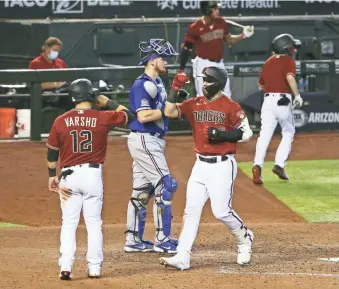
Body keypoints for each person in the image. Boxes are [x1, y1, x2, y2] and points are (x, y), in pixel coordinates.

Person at [159, 66, 254, 270]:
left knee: (221, 211)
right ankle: (183, 255)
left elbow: (246, 133)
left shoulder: (230, 106)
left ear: (218, 84)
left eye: (208, 81)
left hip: (222, 165)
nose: (204, 84)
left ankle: (244, 238)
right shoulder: (195, 104)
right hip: (200, 165)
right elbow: (169, 111)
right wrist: (175, 88)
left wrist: (222, 135)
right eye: (203, 80)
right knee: (190, 211)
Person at [46, 78, 134, 280]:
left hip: (69, 176)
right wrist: (107, 101)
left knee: (69, 223)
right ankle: (94, 268)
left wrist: (52, 177)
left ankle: (65, 267)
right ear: (91, 96)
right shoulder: (102, 117)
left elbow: (52, 154)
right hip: (92, 176)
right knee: (94, 223)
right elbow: (127, 115)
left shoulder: (60, 120)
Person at [124, 39, 186, 254]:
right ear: (152, 61)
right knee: (166, 185)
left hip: (151, 140)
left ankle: (133, 240)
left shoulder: (158, 83)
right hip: (144, 139)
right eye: (163, 58)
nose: (166, 62)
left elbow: (166, 110)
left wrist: (177, 105)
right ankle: (162, 239)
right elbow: (142, 116)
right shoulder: (142, 84)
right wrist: (167, 112)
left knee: (142, 191)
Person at [252, 34, 303, 185]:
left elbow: (260, 85)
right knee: (288, 132)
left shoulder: (268, 61)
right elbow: (289, 78)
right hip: (282, 100)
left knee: (264, 134)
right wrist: (297, 95)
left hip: (267, 101)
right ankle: (279, 165)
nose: (293, 49)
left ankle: (257, 166)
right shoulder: (289, 61)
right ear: (286, 48)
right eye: (291, 46)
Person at [175, 0, 254, 98]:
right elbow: (187, 48)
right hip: (203, 64)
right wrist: (181, 69)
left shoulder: (221, 22)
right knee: (203, 97)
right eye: (215, 9)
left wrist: (243, 35)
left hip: (219, 64)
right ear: (207, 10)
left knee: (226, 95)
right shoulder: (196, 27)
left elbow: (227, 40)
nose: (218, 11)